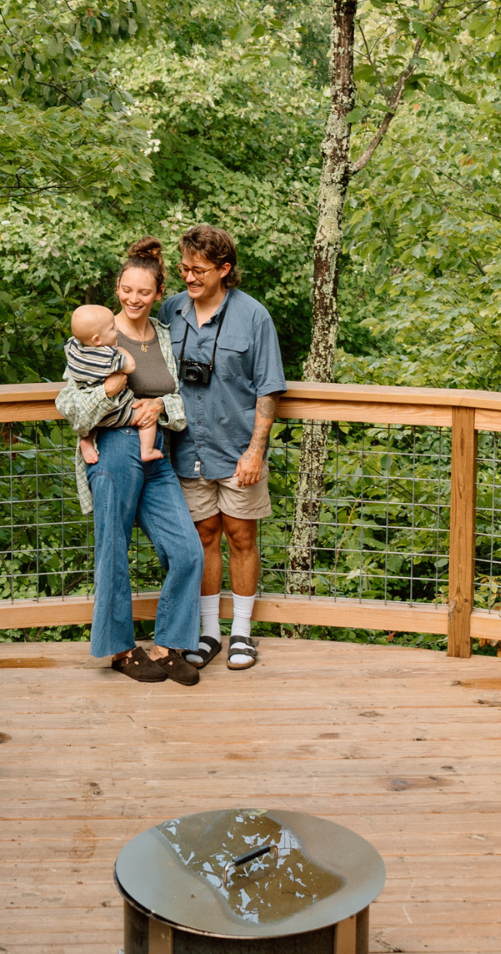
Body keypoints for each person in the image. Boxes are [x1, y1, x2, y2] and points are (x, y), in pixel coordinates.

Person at [55, 238, 204, 685]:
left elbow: (180, 400)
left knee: (186, 550)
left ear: (158, 293)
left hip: (156, 451)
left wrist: (160, 409)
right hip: (113, 452)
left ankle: (169, 644)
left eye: (143, 291)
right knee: (112, 549)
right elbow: (70, 407)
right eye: (126, 289)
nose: (133, 299)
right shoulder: (93, 338)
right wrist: (111, 391)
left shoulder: (163, 335)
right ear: (116, 288)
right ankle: (120, 649)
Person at [161, 224, 287, 671]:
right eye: (184, 269)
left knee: (241, 536)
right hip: (185, 449)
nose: (189, 277)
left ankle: (242, 634)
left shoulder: (254, 316)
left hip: (237, 451)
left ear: (224, 269)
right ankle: (210, 633)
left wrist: (256, 450)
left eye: (198, 270)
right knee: (203, 538)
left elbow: (269, 389)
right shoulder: (171, 311)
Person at [63, 304, 163, 465]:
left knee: (90, 419)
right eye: (111, 328)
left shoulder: (73, 347)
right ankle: (147, 450)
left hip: (92, 411)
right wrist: (121, 350)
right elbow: (130, 366)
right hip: (116, 410)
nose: (116, 329)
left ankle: (86, 440)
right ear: (97, 339)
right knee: (147, 418)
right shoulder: (106, 356)